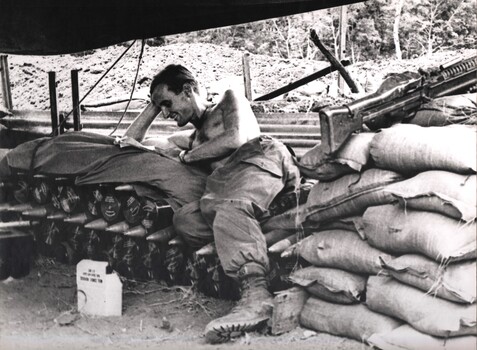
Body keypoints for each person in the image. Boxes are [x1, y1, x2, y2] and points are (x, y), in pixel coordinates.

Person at [124, 64, 300, 343]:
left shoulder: (228, 101)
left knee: (229, 207)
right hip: (226, 188)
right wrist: (153, 105)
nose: (167, 114)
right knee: (186, 220)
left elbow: (236, 138)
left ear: (187, 90)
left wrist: (187, 157)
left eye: (168, 104)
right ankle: (263, 228)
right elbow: (129, 141)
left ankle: (256, 295)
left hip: (257, 161)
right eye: (162, 109)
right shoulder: (191, 139)